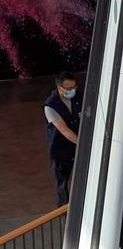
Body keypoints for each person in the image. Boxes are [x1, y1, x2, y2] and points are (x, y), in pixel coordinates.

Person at [44, 71, 83, 206]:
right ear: (59, 87)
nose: (72, 90)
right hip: (61, 150)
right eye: (68, 88)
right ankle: (64, 213)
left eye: (74, 87)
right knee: (62, 184)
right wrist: (83, 144)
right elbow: (63, 129)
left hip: (77, 145)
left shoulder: (80, 96)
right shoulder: (50, 105)